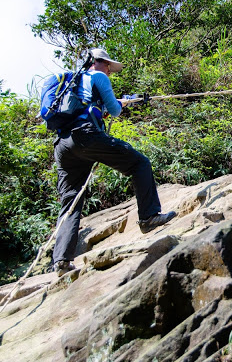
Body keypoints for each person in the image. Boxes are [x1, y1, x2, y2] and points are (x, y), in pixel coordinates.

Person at [52, 48, 176, 277]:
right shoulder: (97, 77)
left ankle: (61, 260)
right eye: (108, 64)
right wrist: (122, 104)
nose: (110, 69)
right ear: (96, 62)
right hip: (86, 137)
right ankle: (149, 217)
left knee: (70, 201)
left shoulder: (74, 83)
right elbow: (115, 110)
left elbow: (95, 109)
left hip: (63, 145)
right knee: (140, 164)